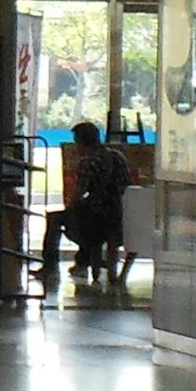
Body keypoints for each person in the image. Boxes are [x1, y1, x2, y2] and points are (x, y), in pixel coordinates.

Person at [47, 118, 129, 298]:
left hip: (95, 218)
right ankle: (83, 262)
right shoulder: (118, 157)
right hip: (117, 214)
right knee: (85, 216)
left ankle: (49, 266)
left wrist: (70, 208)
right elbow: (127, 185)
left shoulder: (88, 162)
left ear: (81, 142)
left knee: (57, 218)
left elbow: (79, 193)